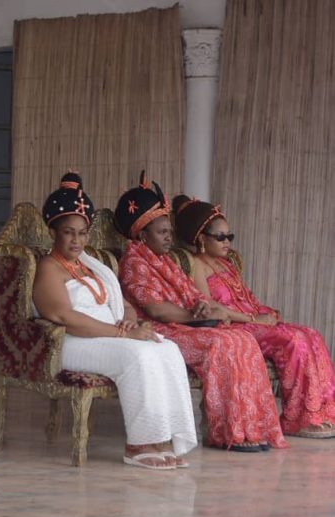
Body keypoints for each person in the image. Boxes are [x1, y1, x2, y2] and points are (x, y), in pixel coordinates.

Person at [33, 173, 197, 470]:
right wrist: (121, 335)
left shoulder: (92, 265)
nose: (76, 240)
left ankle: (163, 439)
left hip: (110, 336)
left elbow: (124, 305)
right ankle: (138, 445)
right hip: (71, 343)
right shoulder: (49, 267)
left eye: (82, 233)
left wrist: (130, 323)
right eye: (69, 232)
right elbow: (63, 317)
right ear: (53, 232)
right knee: (138, 355)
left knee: (167, 348)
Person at [116, 172, 286, 452]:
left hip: (187, 324)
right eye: (161, 232)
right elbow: (155, 309)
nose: (169, 237)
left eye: (169, 231)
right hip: (160, 330)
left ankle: (252, 428)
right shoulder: (135, 262)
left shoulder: (166, 261)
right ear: (142, 235)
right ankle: (226, 433)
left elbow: (194, 296)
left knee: (241, 339)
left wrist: (202, 306)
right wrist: (195, 317)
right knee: (223, 342)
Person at [174, 194, 335, 438]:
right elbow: (210, 308)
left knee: (310, 334)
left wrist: (264, 313)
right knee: (294, 340)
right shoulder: (197, 265)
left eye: (230, 236)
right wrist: (253, 320)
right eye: (221, 237)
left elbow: (247, 299)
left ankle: (322, 411)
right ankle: (297, 419)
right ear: (201, 239)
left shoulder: (226, 265)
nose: (228, 242)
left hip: (250, 321)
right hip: (230, 326)